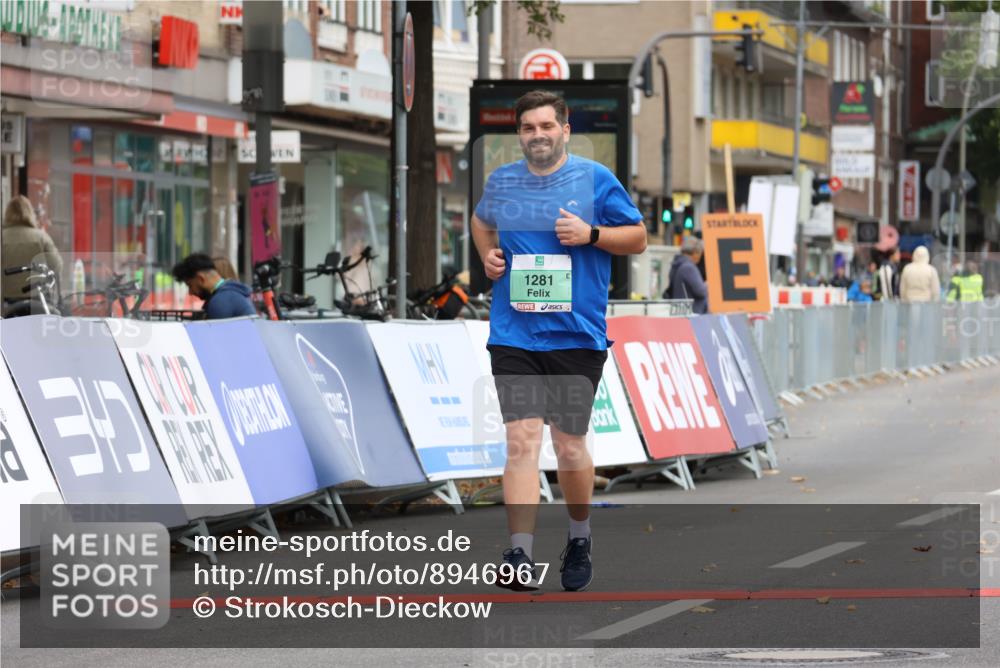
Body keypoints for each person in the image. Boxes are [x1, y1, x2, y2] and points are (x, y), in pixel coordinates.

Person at [471, 90, 647, 592]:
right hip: (515, 335)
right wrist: (489, 257)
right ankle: (519, 555)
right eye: (528, 128)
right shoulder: (502, 182)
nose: (537, 135)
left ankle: (579, 535)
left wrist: (592, 234)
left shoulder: (594, 179)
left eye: (546, 126)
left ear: (565, 130)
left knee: (569, 448)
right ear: (520, 134)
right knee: (522, 440)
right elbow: (481, 222)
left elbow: (637, 236)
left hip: (575, 336)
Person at [1, 195, 63, 303]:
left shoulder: (2, 237)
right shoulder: (41, 237)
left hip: (5, 305)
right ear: (30, 213)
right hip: (38, 303)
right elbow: (57, 266)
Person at [172, 253, 256, 319]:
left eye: (189, 285)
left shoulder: (220, 301)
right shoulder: (232, 294)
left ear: (201, 279)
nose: (190, 292)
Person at [663, 236, 708, 314]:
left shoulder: (676, 264)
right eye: (701, 253)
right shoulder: (689, 268)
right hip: (692, 312)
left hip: (680, 310)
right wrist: (708, 285)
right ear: (695, 252)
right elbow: (701, 292)